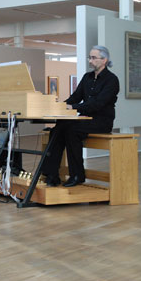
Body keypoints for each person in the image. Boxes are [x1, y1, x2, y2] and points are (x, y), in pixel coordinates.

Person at [42, 45, 119, 187]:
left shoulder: (112, 80)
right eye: (89, 57)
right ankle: (51, 173)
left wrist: (73, 107)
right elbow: (76, 97)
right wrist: (60, 106)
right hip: (85, 119)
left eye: (93, 58)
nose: (90, 60)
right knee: (58, 127)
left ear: (104, 60)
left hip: (101, 121)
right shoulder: (87, 77)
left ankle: (77, 175)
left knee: (71, 130)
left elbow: (98, 104)